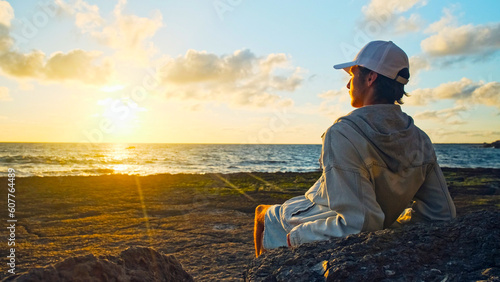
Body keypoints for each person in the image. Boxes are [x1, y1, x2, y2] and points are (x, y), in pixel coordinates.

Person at [254, 40, 456, 257]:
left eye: (352, 75)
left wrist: (298, 236)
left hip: (331, 218)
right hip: (370, 218)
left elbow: (358, 225)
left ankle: (265, 270)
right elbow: (441, 212)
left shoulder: (343, 133)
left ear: (371, 78)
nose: (348, 85)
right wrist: (396, 228)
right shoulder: (420, 138)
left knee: (262, 214)